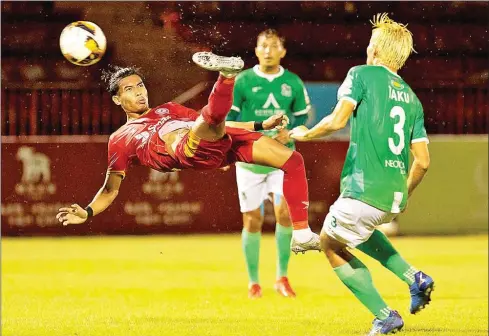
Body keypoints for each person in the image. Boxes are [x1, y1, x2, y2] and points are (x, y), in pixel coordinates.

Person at [56, 52, 320, 254]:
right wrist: (88, 212)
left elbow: (216, 124)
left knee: (292, 160)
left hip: (213, 138)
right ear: (116, 99)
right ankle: (227, 77)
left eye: (140, 86)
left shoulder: (168, 108)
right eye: (129, 89)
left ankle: (302, 233)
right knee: (201, 125)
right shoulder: (120, 139)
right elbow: (110, 189)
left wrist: (260, 125)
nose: (139, 92)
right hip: (189, 150)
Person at [290, 14, 434, 335]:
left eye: (370, 44)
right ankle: (415, 278)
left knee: (330, 244)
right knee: (362, 231)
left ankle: (385, 316)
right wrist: (401, 194)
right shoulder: (412, 98)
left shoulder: (362, 74)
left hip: (363, 189)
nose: (367, 49)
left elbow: (337, 121)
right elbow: (422, 161)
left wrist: (306, 134)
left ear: (377, 50)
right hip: (393, 197)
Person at [226, 29, 311, 298]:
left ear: (282, 51)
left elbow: (301, 118)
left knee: (284, 212)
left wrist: (292, 131)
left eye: (274, 46)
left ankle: (282, 278)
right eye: (263, 45)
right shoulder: (243, 81)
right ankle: (253, 282)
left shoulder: (293, 82)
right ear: (256, 49)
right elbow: (227, 121)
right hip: (248, 159)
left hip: (280, 157)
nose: (268, 50)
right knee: (253, 220)